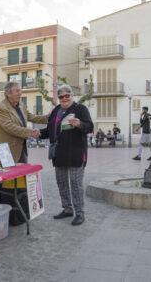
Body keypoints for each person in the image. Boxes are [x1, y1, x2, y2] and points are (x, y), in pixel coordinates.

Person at [40, 85, 93, 226]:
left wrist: (80, 124)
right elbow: (51, 129)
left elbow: (90, 127)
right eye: (61, 97)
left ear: (71, 95)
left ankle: (80, 213)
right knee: (62, 183)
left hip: (75, 153)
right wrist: (38, 133)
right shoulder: (56, 110)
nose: (64, 99)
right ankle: (67, 209)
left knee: (76, 184)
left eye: (67, 96)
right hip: (59, 154)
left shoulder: (80, 109)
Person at [0, 81, 48, 163]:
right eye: (17, 91)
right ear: (8, 94)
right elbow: (10, 127)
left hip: (21, 148)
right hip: (6, 150)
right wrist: (30, 132)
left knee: (22, 174)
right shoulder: (1, 107)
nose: (20, 93)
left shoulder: (21, 104)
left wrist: (48, 117)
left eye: (20, 90)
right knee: (9, 175)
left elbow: (31, 116)